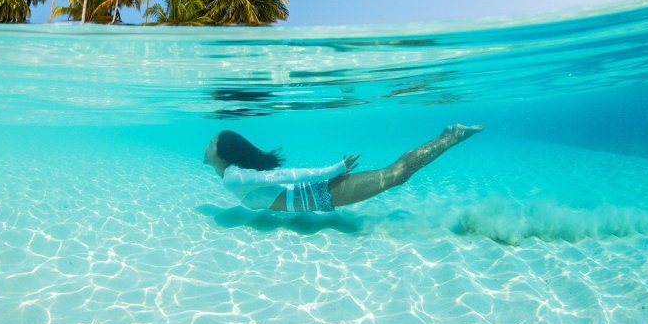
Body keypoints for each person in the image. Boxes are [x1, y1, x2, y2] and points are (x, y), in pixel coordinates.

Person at [204, 124, 483, 213]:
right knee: (393, 175)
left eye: (211, 143)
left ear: (222, 153)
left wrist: (332, 170)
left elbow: (284, 175)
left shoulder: (233, 178)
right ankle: (449, 135)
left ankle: (450, 136)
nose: (206, 147)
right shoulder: (234, 176)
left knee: (395, 175)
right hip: (318, 194)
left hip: (323, 193)